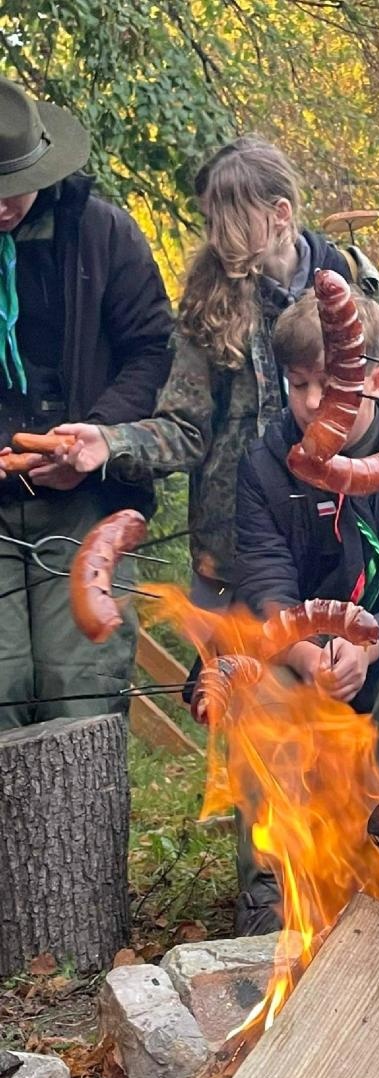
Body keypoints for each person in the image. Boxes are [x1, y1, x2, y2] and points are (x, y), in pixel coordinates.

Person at [54, 137, 379, 609]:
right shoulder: (208, 305)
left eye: (229, 220)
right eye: (210, 221)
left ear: (281, 214)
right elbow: (184, 431)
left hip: (337, 547)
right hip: (233, 560)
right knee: (223, 680)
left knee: (336, 674)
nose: (216, 236)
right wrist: (111, 442)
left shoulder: (350, 286)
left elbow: (376, 409)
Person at [229, 287, 379, 932]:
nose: (308, 404)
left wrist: (370, 641)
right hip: (299, 653)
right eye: (297, 384)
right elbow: (266, 584)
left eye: (328, 385)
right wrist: (304, 651)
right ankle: (271, 901)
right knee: (261, 694)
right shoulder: (266, 463)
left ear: (377, 381)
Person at [0, 78, 172, 729]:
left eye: (15, 183)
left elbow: (154, 352)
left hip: (83, 500)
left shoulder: (102, 232)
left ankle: (77, 835)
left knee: (79, 689)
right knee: (3, 680)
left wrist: (93, 439)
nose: (4, 204)